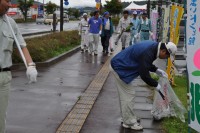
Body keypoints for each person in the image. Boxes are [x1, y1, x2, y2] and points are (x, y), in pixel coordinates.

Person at [111, 41, 177, 130]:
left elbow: (145, 63)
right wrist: (155, 84)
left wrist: (156, 70)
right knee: (129, 94)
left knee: (126, 95)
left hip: (121, 65)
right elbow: (144, 74)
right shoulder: (149, 51)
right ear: (164, 51)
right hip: (119, 67)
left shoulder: (153, 47)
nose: (166, 58)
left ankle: (127, 117)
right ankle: (129, 122)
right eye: (167, 56)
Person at [0, 0, 38, 132]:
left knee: (0, 119)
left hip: (4, 77)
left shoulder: (10, 23)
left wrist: (31, 65)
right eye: (7, 1)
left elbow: (21, 46)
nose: (10, 5)